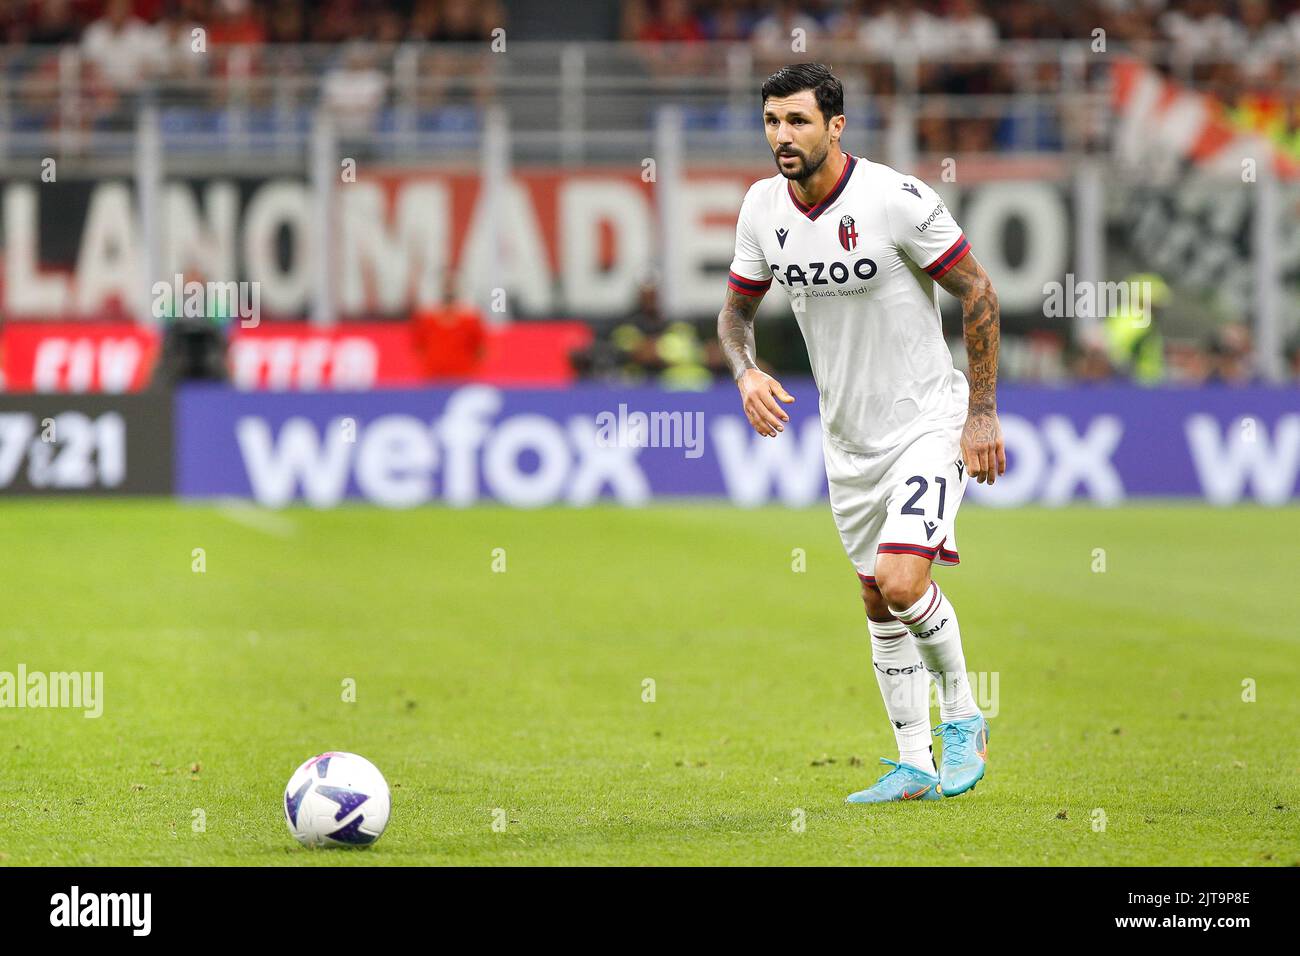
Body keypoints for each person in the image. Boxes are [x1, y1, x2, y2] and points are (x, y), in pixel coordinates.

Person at [716, 63, 1005, 804]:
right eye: (773, 121)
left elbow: (977, 291)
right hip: (846, 440)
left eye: (798, 121)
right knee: (878, 599)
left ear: (836, 126)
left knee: (907, 582)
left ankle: (965, 717)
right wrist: (746, 372)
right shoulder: (761, 208)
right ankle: (912, 762)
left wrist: (979, 413)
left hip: (926, 423)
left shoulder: (895, 199)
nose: (782, 136)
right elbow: (736, 313)